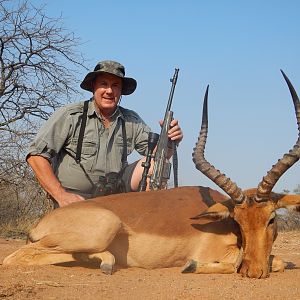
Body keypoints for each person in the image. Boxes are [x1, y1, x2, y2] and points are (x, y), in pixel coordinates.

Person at [26, 60, 183, 207]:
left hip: (114, 195)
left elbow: (159, 155)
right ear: (93, 87)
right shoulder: (70, 115)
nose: (109, 91)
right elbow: (36, 156)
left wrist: (168, 141)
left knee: (157, 166)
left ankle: (146, 225)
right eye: (104, 84)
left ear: (121, 91)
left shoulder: (131, 119)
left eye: (115, 85)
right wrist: (62, 196)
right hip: (75, 199)